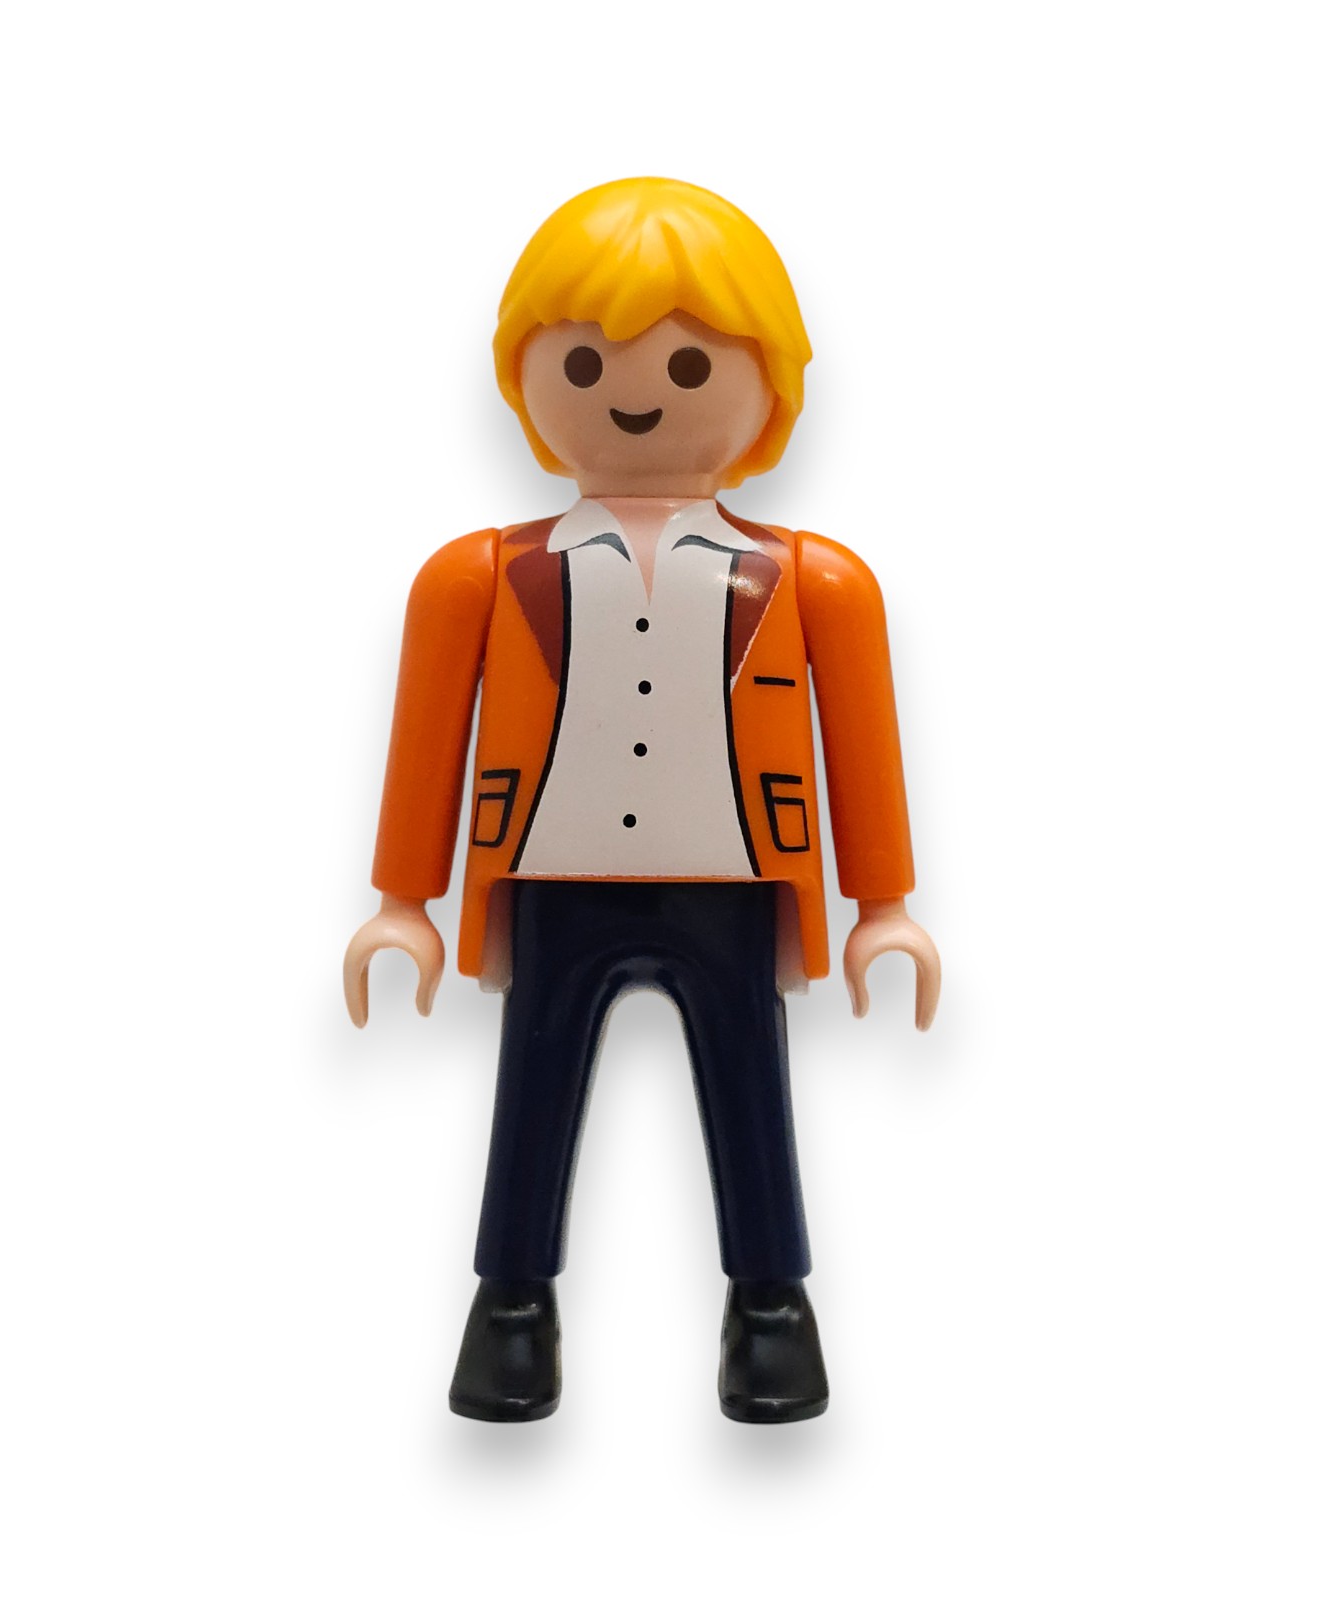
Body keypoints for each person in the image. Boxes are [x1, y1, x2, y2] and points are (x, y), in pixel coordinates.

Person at [344, 176, 940, 1423]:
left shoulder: (815, 582)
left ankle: (770, 1307)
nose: (634, 394)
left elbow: (861, 745)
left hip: (735, 883)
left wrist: (882, 904)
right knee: (532, 1091)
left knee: (752, 1089)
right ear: (523, 381)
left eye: (687, 367)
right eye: (583, 361)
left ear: (771, 390)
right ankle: (511, 1308)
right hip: (549, 881)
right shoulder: (477, 576)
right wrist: (403, 899)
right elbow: (427, 739)